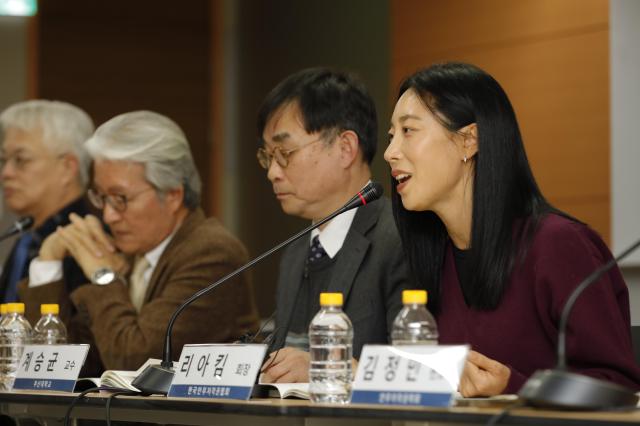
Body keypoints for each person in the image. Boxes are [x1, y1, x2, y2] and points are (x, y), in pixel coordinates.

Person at [384, 62, 640, 396]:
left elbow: (620, 387)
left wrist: (514, 386)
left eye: (408, 131)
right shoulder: (433, 254)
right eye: (391, 137)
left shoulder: (558, 246)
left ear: (468, 141)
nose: (390, 153)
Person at [20, 110, 259, 375]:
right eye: (101, 197)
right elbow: (69, 364)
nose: (108, 215)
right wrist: (48, 261)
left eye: (120, 198)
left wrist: (104, 277)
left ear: (172, 195)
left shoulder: (211, 254)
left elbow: (137, 363)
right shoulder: (130, 251)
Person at [257, 68, 410, 383]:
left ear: (345, 149)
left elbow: (415, 368)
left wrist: (323, 367)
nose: (273, 172)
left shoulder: (399, 238)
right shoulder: (297, 253)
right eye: (268, 156)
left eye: (284, 153)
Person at [0, 100, 94, 306]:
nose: (6, 173)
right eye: (3, 160)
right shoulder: (27, 235)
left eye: (21, 160)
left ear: (67, 168)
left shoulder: (88, 240)